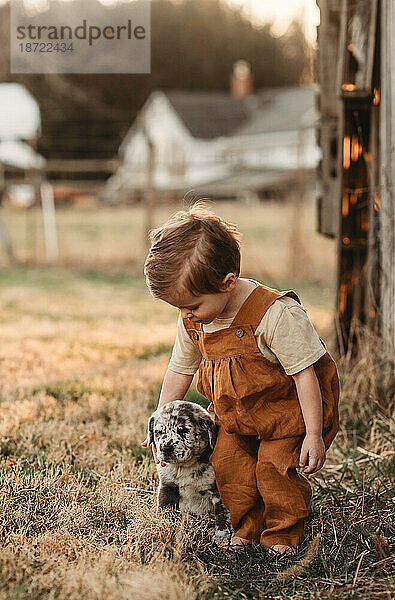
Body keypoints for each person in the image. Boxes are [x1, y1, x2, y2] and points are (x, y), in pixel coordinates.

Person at [142, 203, 340, 556]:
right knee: (229, 468)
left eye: (192, 306)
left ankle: (283, 533)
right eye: (180, 308)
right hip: (235, 417)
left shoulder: (275, 315)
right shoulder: (194, 319)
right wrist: (160, 427)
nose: (186, 315)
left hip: (286, 416)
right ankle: (246, 526)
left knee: (274, 470)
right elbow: (179, 369)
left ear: (227, 283)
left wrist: (312, 434)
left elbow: (305, 374)